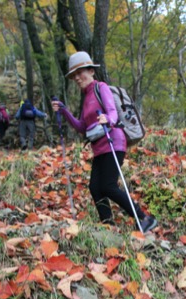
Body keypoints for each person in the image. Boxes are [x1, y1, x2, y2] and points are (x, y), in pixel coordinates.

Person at [51, 51, 157, 233]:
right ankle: (107, 224)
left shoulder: (101, 88)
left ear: (91, 70)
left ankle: (144, 218)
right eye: (74, 75)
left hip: (113, 142)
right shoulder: (86, 98)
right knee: (95, 187)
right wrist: (64, 111)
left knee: (108, 186)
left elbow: (112, 112)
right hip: (99, 147)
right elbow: (82, 127)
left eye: (80, 72)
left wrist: (108, 119)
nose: (77, 77)